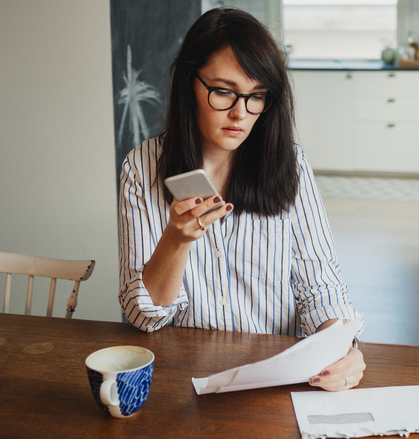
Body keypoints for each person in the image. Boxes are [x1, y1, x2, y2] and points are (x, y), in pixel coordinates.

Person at [118, 8, 365, 392]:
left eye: (256, 97)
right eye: (223, 91)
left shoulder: (290, 165)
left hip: (274, 378)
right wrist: (176, 240)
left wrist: (343, 344)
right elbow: (143, 316)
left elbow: (321, 284)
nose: (240, 113)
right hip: (181, 379)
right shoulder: (142, 167)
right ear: (189, 83)